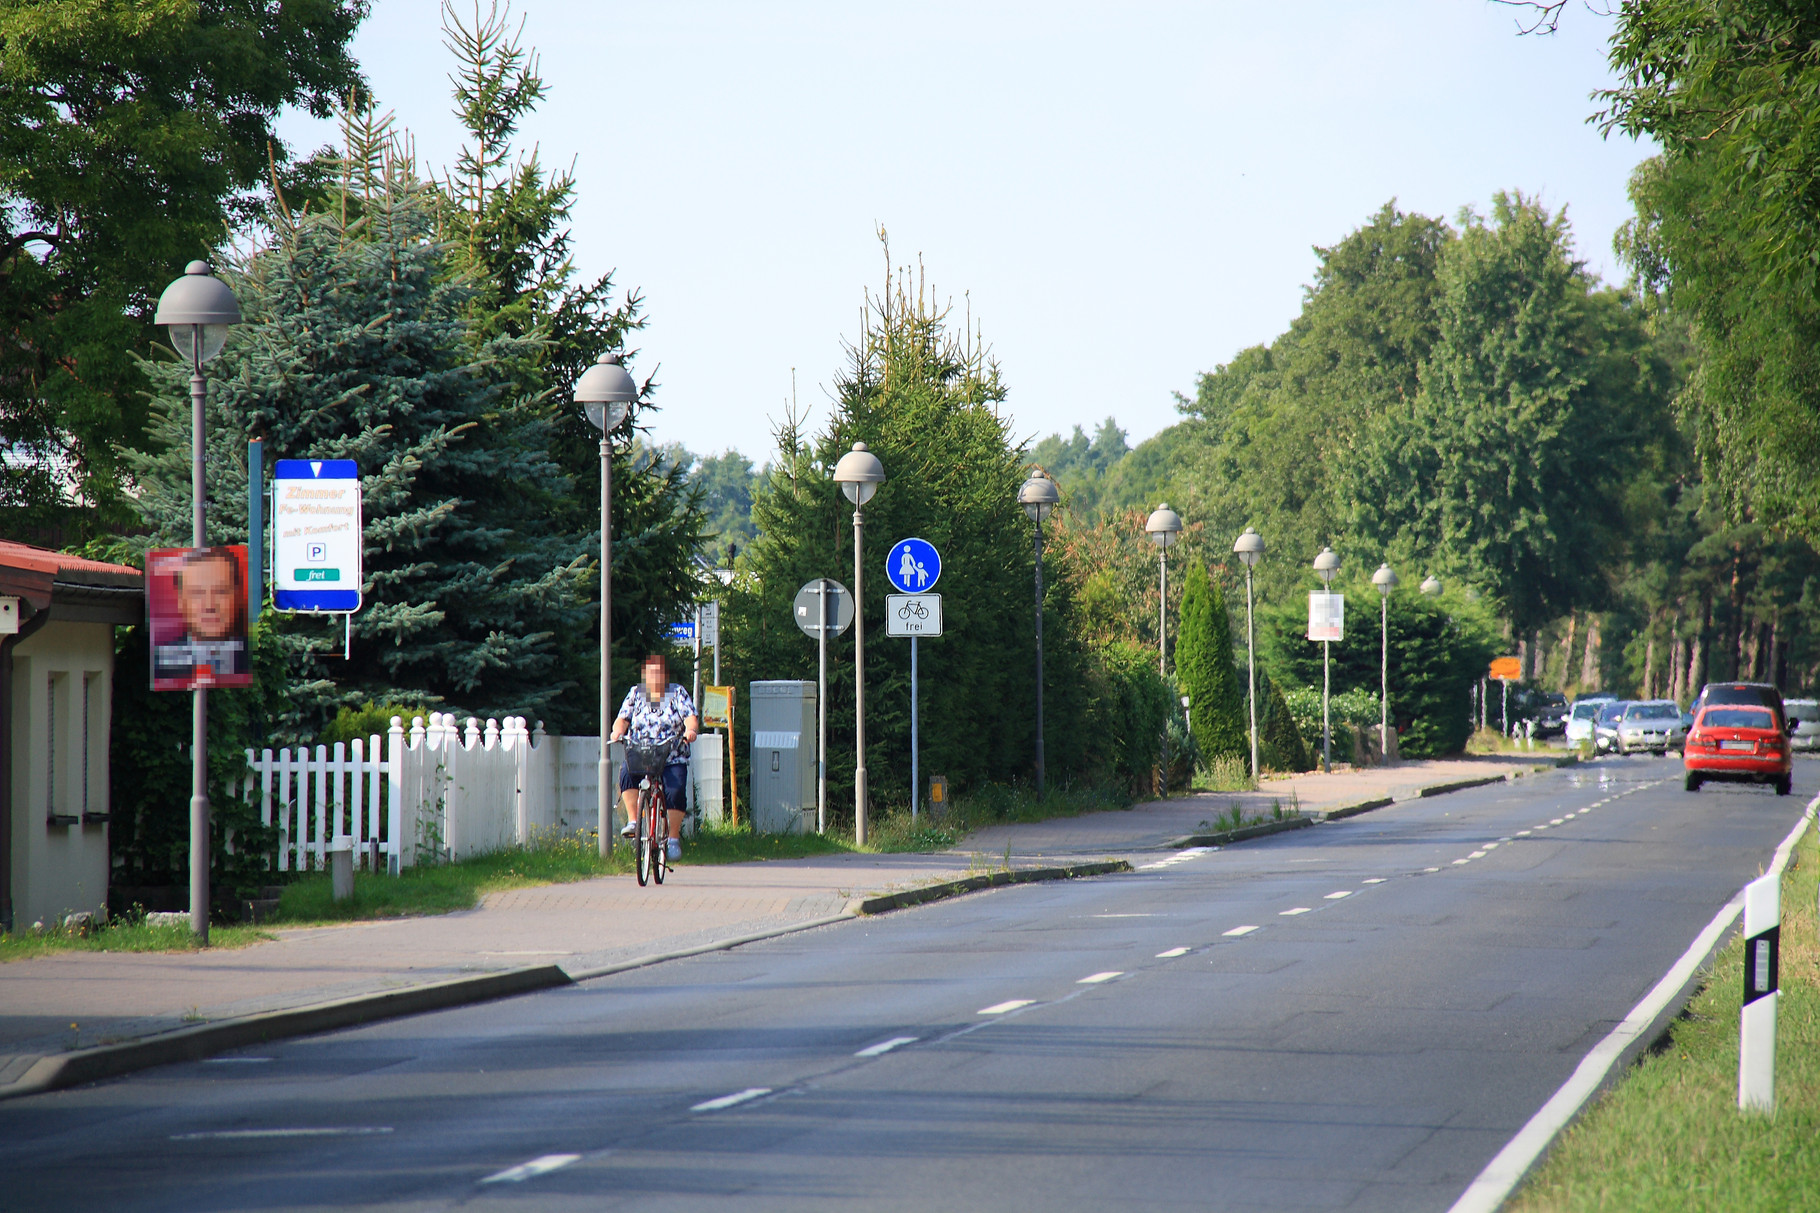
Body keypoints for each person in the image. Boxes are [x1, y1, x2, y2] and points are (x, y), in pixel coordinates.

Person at [610, 654, 699, 861]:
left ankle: (673, 839)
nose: (654, 678)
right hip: (641, 752)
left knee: (675, 790)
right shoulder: (636, 694)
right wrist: (617, 732)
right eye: (650, 674)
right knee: (626, 773)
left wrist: (690, 731)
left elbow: (690, 718)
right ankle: (634, 821)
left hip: (671, 754)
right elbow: (622, 719)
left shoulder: (677, 693)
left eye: (658, 673)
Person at [152, 547, 249, 686]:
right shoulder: (161, 663)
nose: (209, 605)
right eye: (197, 593)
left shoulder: (250, 659)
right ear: (181, 601)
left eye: (221, 591)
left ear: (237, 596)